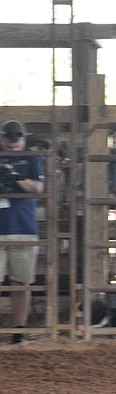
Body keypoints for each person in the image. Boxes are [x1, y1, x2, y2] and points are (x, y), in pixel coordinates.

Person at [0, 120, 46, 344]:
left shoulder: (31, 160)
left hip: (23, 228)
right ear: (2, 138)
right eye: (8, 138)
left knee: (21, 282)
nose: (12, 143)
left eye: (16, 138)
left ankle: (19, 329)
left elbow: (38, 188)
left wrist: (15, 176)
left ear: (23, 138)